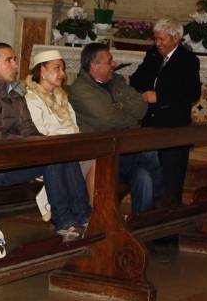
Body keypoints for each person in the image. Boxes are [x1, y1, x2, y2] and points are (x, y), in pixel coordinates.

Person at [0, 43, 91, 239]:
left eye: (14, 59)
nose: (15, 65)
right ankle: (64, 222)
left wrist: (45, 143)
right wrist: (34, 147)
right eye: (8, 60)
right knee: (52, 159)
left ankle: (84, 216)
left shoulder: (15, 92)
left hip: (14, 158)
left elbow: (28, 128)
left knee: (63, 152)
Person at [68, 43, 159, 215]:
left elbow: (141, 108)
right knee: (152, 152)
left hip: (124, 149)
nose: (114, 64)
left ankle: (142, 224)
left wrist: (118, 106)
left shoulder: (116, 80)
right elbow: (107, 121)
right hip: (101, 153)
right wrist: (127, 113)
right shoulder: (80, 89)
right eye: (109, 61)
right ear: (94, 65)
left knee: (144, 178)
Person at [130, 18, 201, 210]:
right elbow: (136, 80)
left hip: (174, 127)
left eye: (161, 39)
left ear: (176, 37)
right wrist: (149, 87)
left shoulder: (188, 60)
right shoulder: (153, 55)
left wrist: (160, 96)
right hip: (150, 124)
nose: (157, 43)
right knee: (150, 177)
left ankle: (168, 224)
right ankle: (147, 218)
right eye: (155, 39)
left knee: (171, 182)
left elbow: (191, 93)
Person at [23, 49, 80, 219]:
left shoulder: (61, 97)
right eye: (57, 68)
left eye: (63, 69)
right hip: (46, 153)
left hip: (69, 149)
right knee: (72, 160)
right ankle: (74, 215)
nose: (62, 74)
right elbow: (40, 132)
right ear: (42, 70)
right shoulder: (31, 98)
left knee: (99, 161)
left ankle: (87, 214)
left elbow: (74, 127)